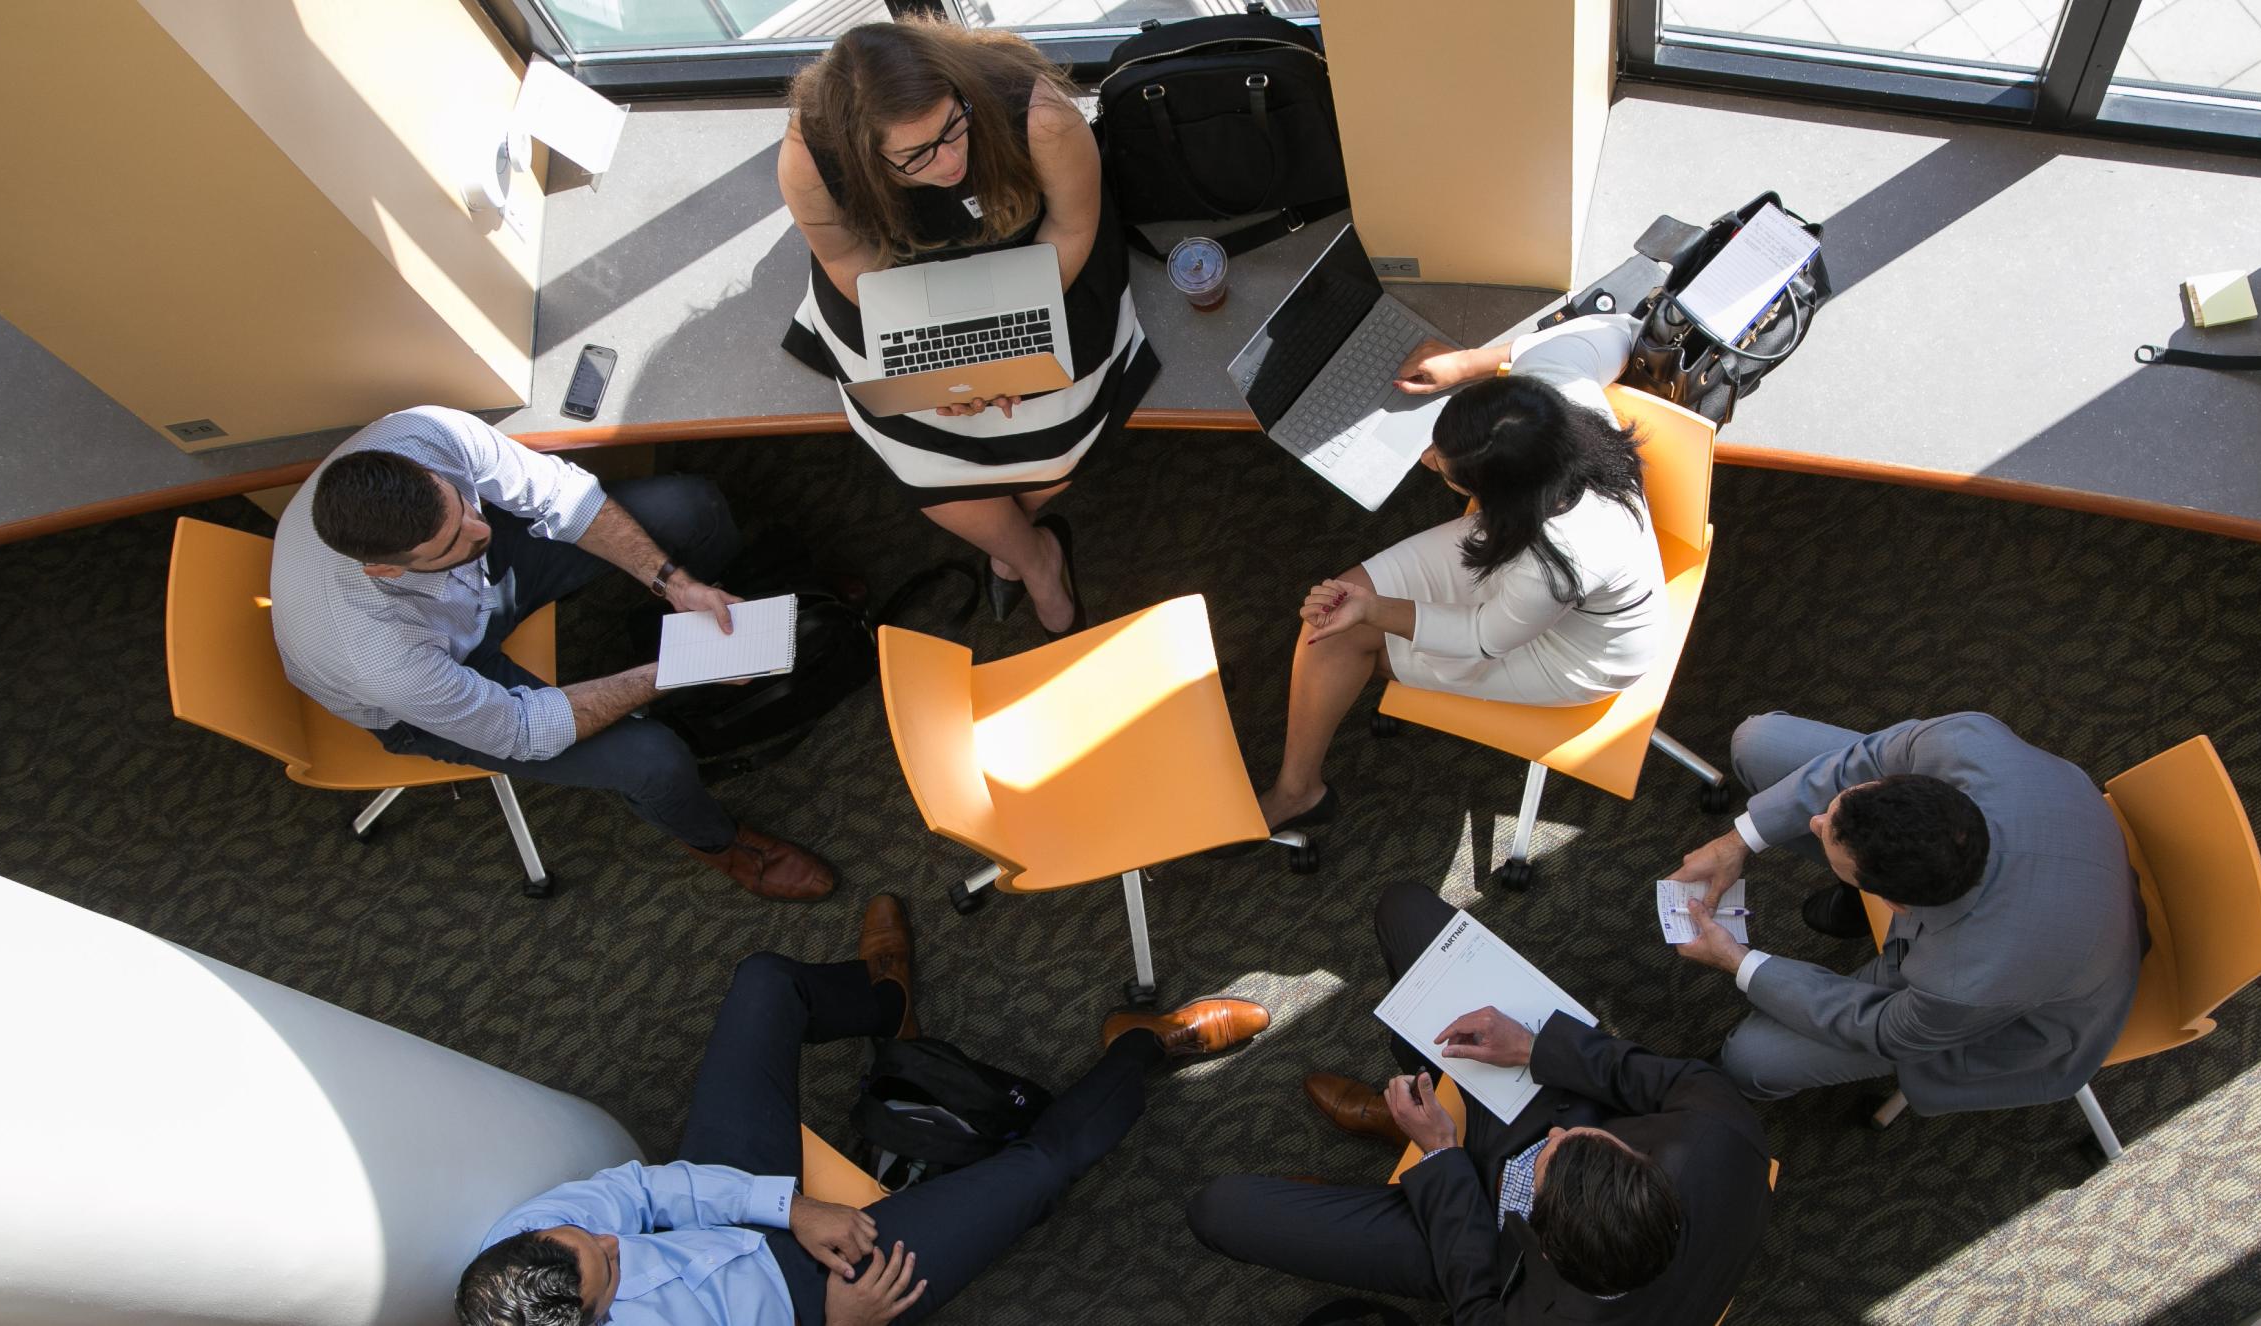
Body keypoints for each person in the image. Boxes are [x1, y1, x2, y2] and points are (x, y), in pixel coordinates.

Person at [455, 894, 1269, 1326]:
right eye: (609, 1263)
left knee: (764, 983)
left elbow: (642, 1196)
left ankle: (886, 1001)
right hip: (818, 1302)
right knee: (1036, 1171)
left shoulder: (527, 1246)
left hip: (725, 1201)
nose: (606, 1238)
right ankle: (1147, 1046)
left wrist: (790, 1204)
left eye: (580, 1237)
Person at [270, 406, 835, 900]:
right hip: (437, 679)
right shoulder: (381, 660)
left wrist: (674, 584)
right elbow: (522, 728)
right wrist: (680, 669)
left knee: (691, 506)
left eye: (462, 502)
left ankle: (717, 610)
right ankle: (721, 846)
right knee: (653, 761)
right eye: (453, 540)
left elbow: (563, 496)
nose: (478, 527)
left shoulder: (423, 434)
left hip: (481, 590)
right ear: (386, 568)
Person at [1188, 881, 1770, 1325]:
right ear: (1643, 1162)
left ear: (1542, 1243)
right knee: (1404, 909)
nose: (1560, 1139)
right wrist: (1535, 1047)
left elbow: (1476, 1310)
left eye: (1551, 1161)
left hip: (1478, 1240)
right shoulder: (1724, 1130)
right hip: (1545, 1098)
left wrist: (1443, 1156)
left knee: (1217, 1211)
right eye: (1594, 1143)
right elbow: (1623, 1069)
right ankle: (1413, 1116)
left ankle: (1422, 1145)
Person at [778, 18, 1159, 638]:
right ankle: (1034, 558)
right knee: (919, 441)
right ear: (861, 153)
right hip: (898, 289)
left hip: (1035, 276)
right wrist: (943, 361)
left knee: (1050, 434)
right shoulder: (810, 157)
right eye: (917, 155)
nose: (951, 159)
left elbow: (1071, 231)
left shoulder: (1038, 116)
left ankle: (1013, 551)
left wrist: (992, 349)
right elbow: (848, 261)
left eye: (954, 126)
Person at [1252, 314, 1665, 835]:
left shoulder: (1558, 560)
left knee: (1354, 638)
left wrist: (1375, 611)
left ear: (1496, 497)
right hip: (1535, 561)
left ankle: (1295, 796)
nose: (1431, 459)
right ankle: (1299, 788)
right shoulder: (1555, 399)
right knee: (1336, 625)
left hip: (1583, 654)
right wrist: (1468, 362)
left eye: (1445, 467)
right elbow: (1622, 328)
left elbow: (1481, 635)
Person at [1664, 711, 2145, 1113]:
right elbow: (1866, 758)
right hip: (2061, 864)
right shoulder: (1965, 743)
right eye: (1836, 810)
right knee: (1759, 740)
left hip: (2030, 987)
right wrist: (1739, 840)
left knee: (1751, 1059)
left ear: (1893, 903)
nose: (1814, 821)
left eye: (1827, 840)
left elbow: (1881, 1028)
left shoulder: (1961, 983)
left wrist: (1738, 961)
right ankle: (1853, 891)